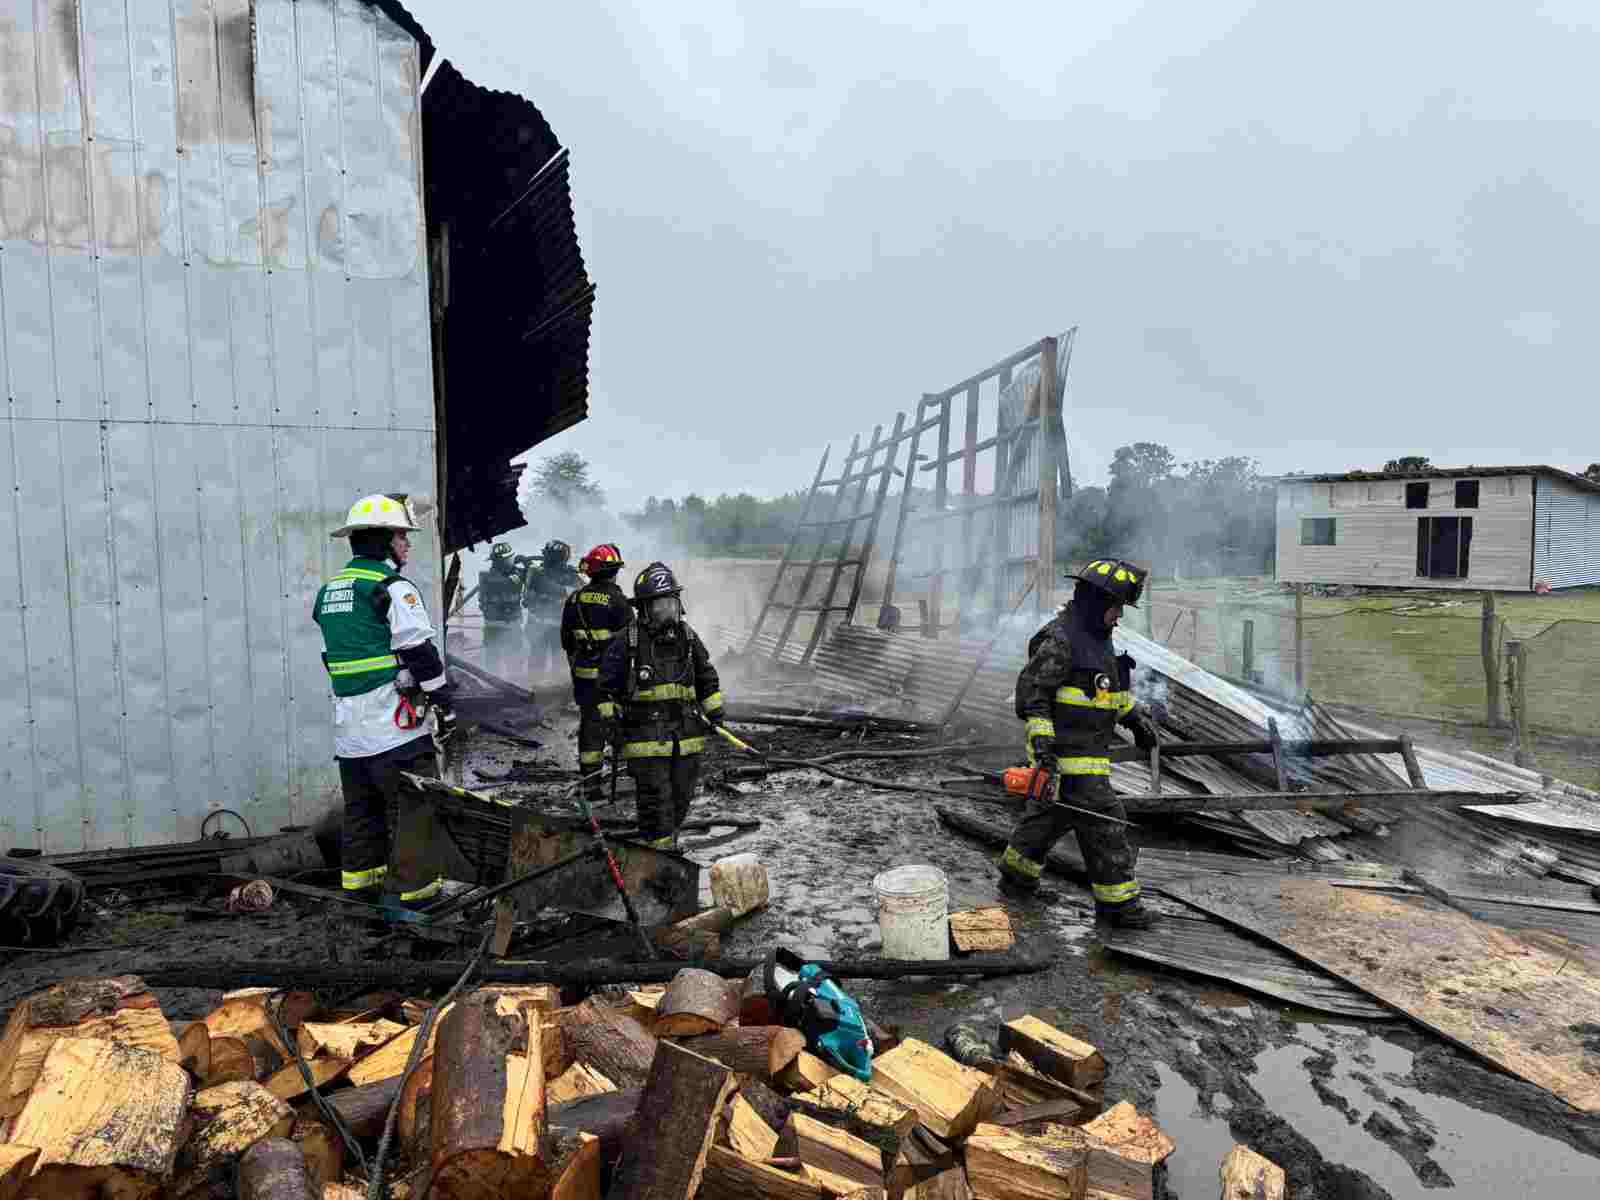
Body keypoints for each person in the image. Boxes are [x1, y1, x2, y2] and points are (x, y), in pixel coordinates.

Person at [312, 493, 459, 916]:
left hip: (351, 737)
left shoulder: (329, 592)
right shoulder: (391, 588)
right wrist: (446, 707)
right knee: (417, 813)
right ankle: (417, 904)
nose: (407, 544)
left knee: (362, 817)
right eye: (401, 535)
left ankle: (361, 901)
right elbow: (420, 654)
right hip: (395, 731)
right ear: (381, 540)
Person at [997, 558, 1160, 929]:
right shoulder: (1062, 640)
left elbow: (1104, 693)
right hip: (1067, 761)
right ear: (1097, 602)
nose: (1119, 615)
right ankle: (1120, 907)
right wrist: (1043, 747)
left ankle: (1015, 880)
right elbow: (1033, 695)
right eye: (1116, 607)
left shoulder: (1097, 640)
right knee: (1106, 825)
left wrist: (1133, 717)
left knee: (1045, 822)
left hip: (1081, 761)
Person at [596, 562, 724, 849]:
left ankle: (666, 846)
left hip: (686, 738)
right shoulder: (627, 642)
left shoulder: (688, 639)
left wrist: (716, 713)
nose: (667, 611)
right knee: (656, 801)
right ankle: (659, 857)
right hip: (645, 739)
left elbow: (706, 678)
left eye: (671, 603)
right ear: (644, 609)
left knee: (681, 798)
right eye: (660, 605)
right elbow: (605, 690)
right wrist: (611, 724)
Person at [561, 544, 634, 800]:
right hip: (613, 679)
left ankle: (591, 782)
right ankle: (627, 774)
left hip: (583, 678)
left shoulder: (574, 599)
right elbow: (632, 642)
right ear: (613, 571)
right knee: (621, 722)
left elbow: (566, 641)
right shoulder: (618, 600)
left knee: (590, 726)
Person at [524, 540, 580, 678]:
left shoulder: (571, 574)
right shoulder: (536, 572)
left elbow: (578, 594)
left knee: (559, 662)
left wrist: (554, 588)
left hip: (559, 627)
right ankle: (534, 688)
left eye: (547, 555)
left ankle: (557, 691)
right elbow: (526, 600)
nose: (544, 558)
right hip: (538, 624)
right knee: (537, 661)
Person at [477, 542, 526, 677]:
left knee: (509, 659)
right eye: (509, 558)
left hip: (505, 624)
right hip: (503, 625)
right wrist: (525, 566)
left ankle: (509, 683)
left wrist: (526, 564)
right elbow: (511, 582)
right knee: (498, 659)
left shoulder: (487, 576)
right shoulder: (490, 577)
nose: (512, 561)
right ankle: (502, 685)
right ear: (503, 561)